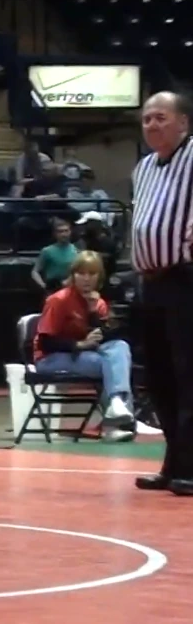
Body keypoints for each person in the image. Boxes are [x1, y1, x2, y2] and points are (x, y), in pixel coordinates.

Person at [129, 91, 193, 495]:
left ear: (183, 123)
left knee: (189, 374)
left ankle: (190, 467)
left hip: (186, 278)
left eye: (161, 118)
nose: (152, 125)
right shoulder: (143, 168)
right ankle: (174, 462)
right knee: (159, 376)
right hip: (151, 282)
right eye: (147, 119)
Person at [32, 250, 136, 443]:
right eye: (81, 273)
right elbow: (46, 342)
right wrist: (79, 344)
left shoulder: (98, 302)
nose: (86, 279)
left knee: (120, 348)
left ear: (100, 277)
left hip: (85, 355)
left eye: (92, 274)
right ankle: (116, 419)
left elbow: (103, 339)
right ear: (73, 275)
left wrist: (92, 312)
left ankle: (116, 405)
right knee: (110, 365)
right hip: (50, 358)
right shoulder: (58, 300)